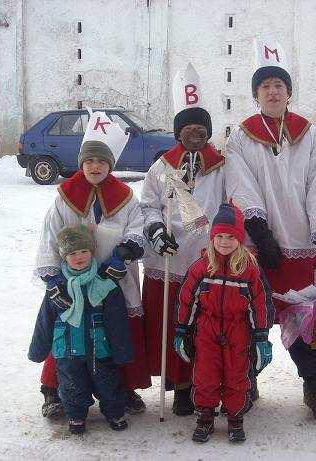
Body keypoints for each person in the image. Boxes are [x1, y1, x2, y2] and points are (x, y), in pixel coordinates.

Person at [224, 38, 316, 421]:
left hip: (302, 247)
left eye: (279, 85)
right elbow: (241, 185)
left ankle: (314, 387)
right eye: (265, 86)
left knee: (307, 319)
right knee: (249, 318)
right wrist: (259, 230)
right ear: (256, 94)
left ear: (288, 92)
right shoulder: (241, 137)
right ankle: (247, 384)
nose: (272, 92)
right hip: (259, 247)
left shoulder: (310, 135)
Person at [34, 111, 151, 418]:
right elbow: (50, 236)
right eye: (90, 161)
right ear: (81, 163)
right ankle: (53, 390)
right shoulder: (64, 197)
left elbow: (136, 227)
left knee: (117, 332)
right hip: (72, 280)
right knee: (66, 331)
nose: (95, 167)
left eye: (101, 162)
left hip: (116, 279)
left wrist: (125, 252)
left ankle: (123, 388)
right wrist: (52, 280)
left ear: (110, 165)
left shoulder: (126, 197)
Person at [140, 63, 226, 416]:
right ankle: (178, 384)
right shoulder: (162, 168)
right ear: (178, 133)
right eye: (189, 129)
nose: (195, 135)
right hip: (170, 261)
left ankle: (204, 382)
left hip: (208, 259)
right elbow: (147, 207)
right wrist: (157, 233)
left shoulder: (222, 165)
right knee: (171, 324)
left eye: (201, 129)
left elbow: (230, 205)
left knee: (203, 327)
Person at [173, 203, 274, 443]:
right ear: (212, 237)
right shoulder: (201, 268)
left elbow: (260, 304)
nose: (225, 241)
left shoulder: (249, 270)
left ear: (239, 238)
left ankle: (235, 417)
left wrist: (260, 336)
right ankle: (205, 417)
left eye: (230, 236)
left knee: (236, 375)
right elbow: (187, 301)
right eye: (219, 236)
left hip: (238, 329)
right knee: (205, 374)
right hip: (206, 329)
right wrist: (182, 331)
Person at [28, 224, 133, 434]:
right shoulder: (57, 288)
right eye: (72, 253)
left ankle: (114, 412)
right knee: (71, 385)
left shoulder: (104, 283)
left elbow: (117, 320)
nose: (79, 257)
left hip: (100, 348)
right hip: (67, 349)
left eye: (84, 251)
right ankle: (76, 416)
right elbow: (44, 320)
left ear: (92, 251)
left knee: (107, 382)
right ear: (64, 257)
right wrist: (38, 350)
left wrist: (122, 351)